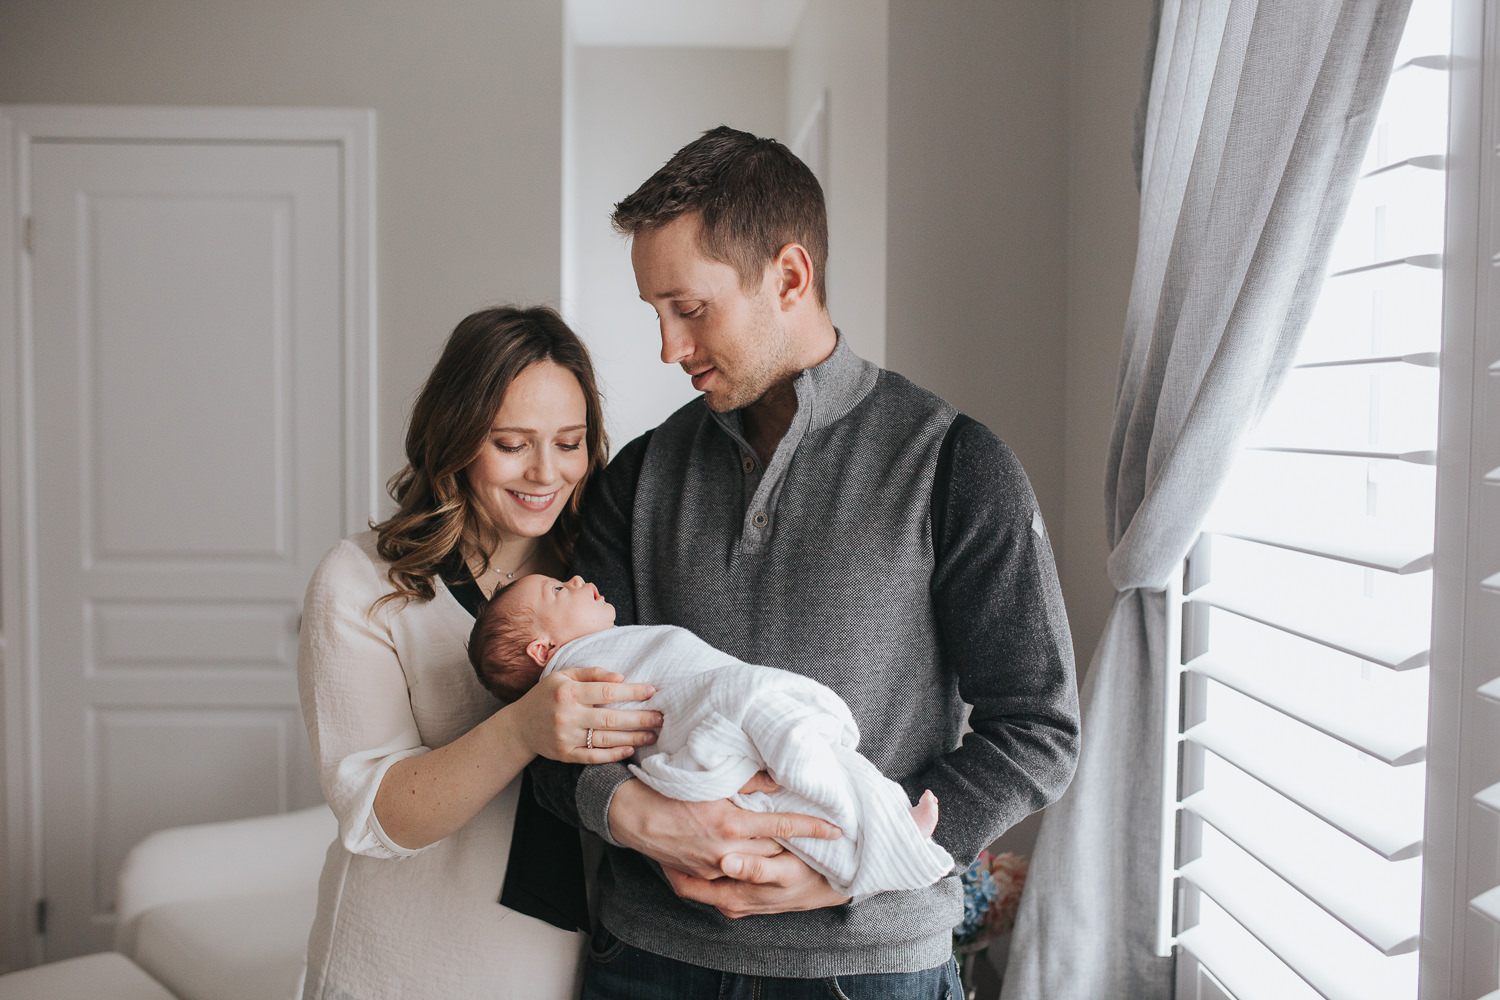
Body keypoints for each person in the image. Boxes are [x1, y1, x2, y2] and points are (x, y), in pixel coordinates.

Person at [529, 126, 1082, 997]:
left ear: (789, 277)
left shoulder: (954, 464)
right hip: (647, 964)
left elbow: (1039, 730)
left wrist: (860, 861)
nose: (668, 349)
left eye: (691, 308)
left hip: (867, 973)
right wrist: (634, 819)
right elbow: (556, 719)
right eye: (656, 314)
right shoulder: (636, 478)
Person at [296, 306, 664, 1000]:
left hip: (573, 967)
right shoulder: (362, 582)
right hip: (398, 970)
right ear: (458, 436)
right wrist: (525, 726)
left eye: (569, 442)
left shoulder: (600, 581)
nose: (545, 472)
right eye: (511, 443)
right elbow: (375, 814)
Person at [468, 572, 952, 897]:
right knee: (800, 793)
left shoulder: (599, 649)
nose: (575, 578)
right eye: (556, 590)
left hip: (726, 712)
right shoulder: (574, 682)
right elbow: (582, 743)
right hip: (715, 719)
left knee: (807, 791)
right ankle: (887, 848)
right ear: (542, 650)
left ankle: (888, 834)